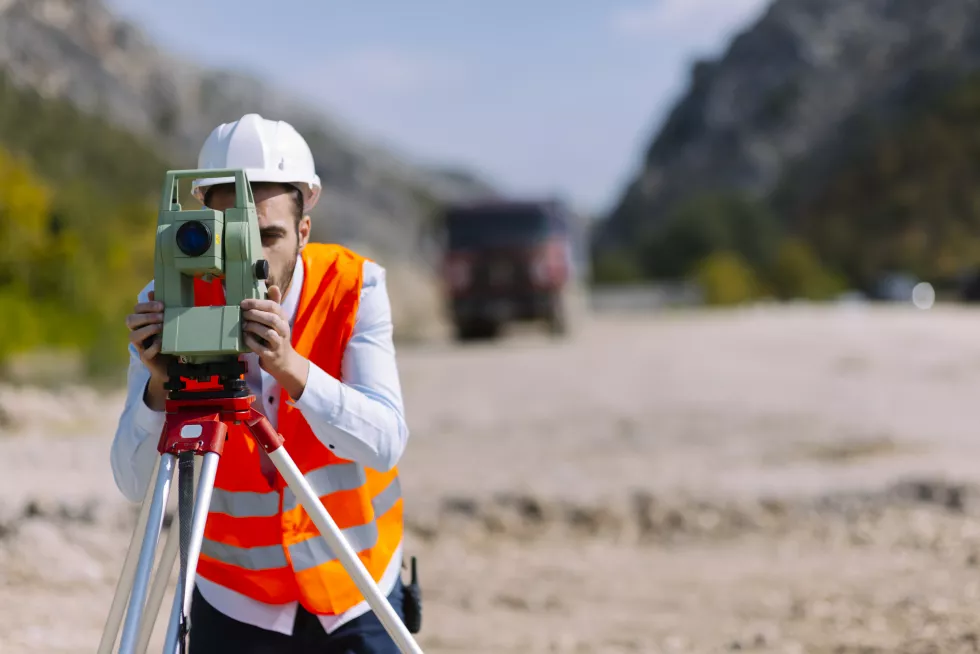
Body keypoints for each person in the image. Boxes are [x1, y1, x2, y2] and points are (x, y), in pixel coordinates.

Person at [110, 113, 411, 653]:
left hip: (353, 582)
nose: (251, 257)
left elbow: (385, 443)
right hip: (235, 594)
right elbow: (132, 482)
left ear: (303, 230)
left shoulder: (355, 288)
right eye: (230, 235)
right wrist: (160, 391)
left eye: (267, 235)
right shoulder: (169, 297)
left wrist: (292, 368)